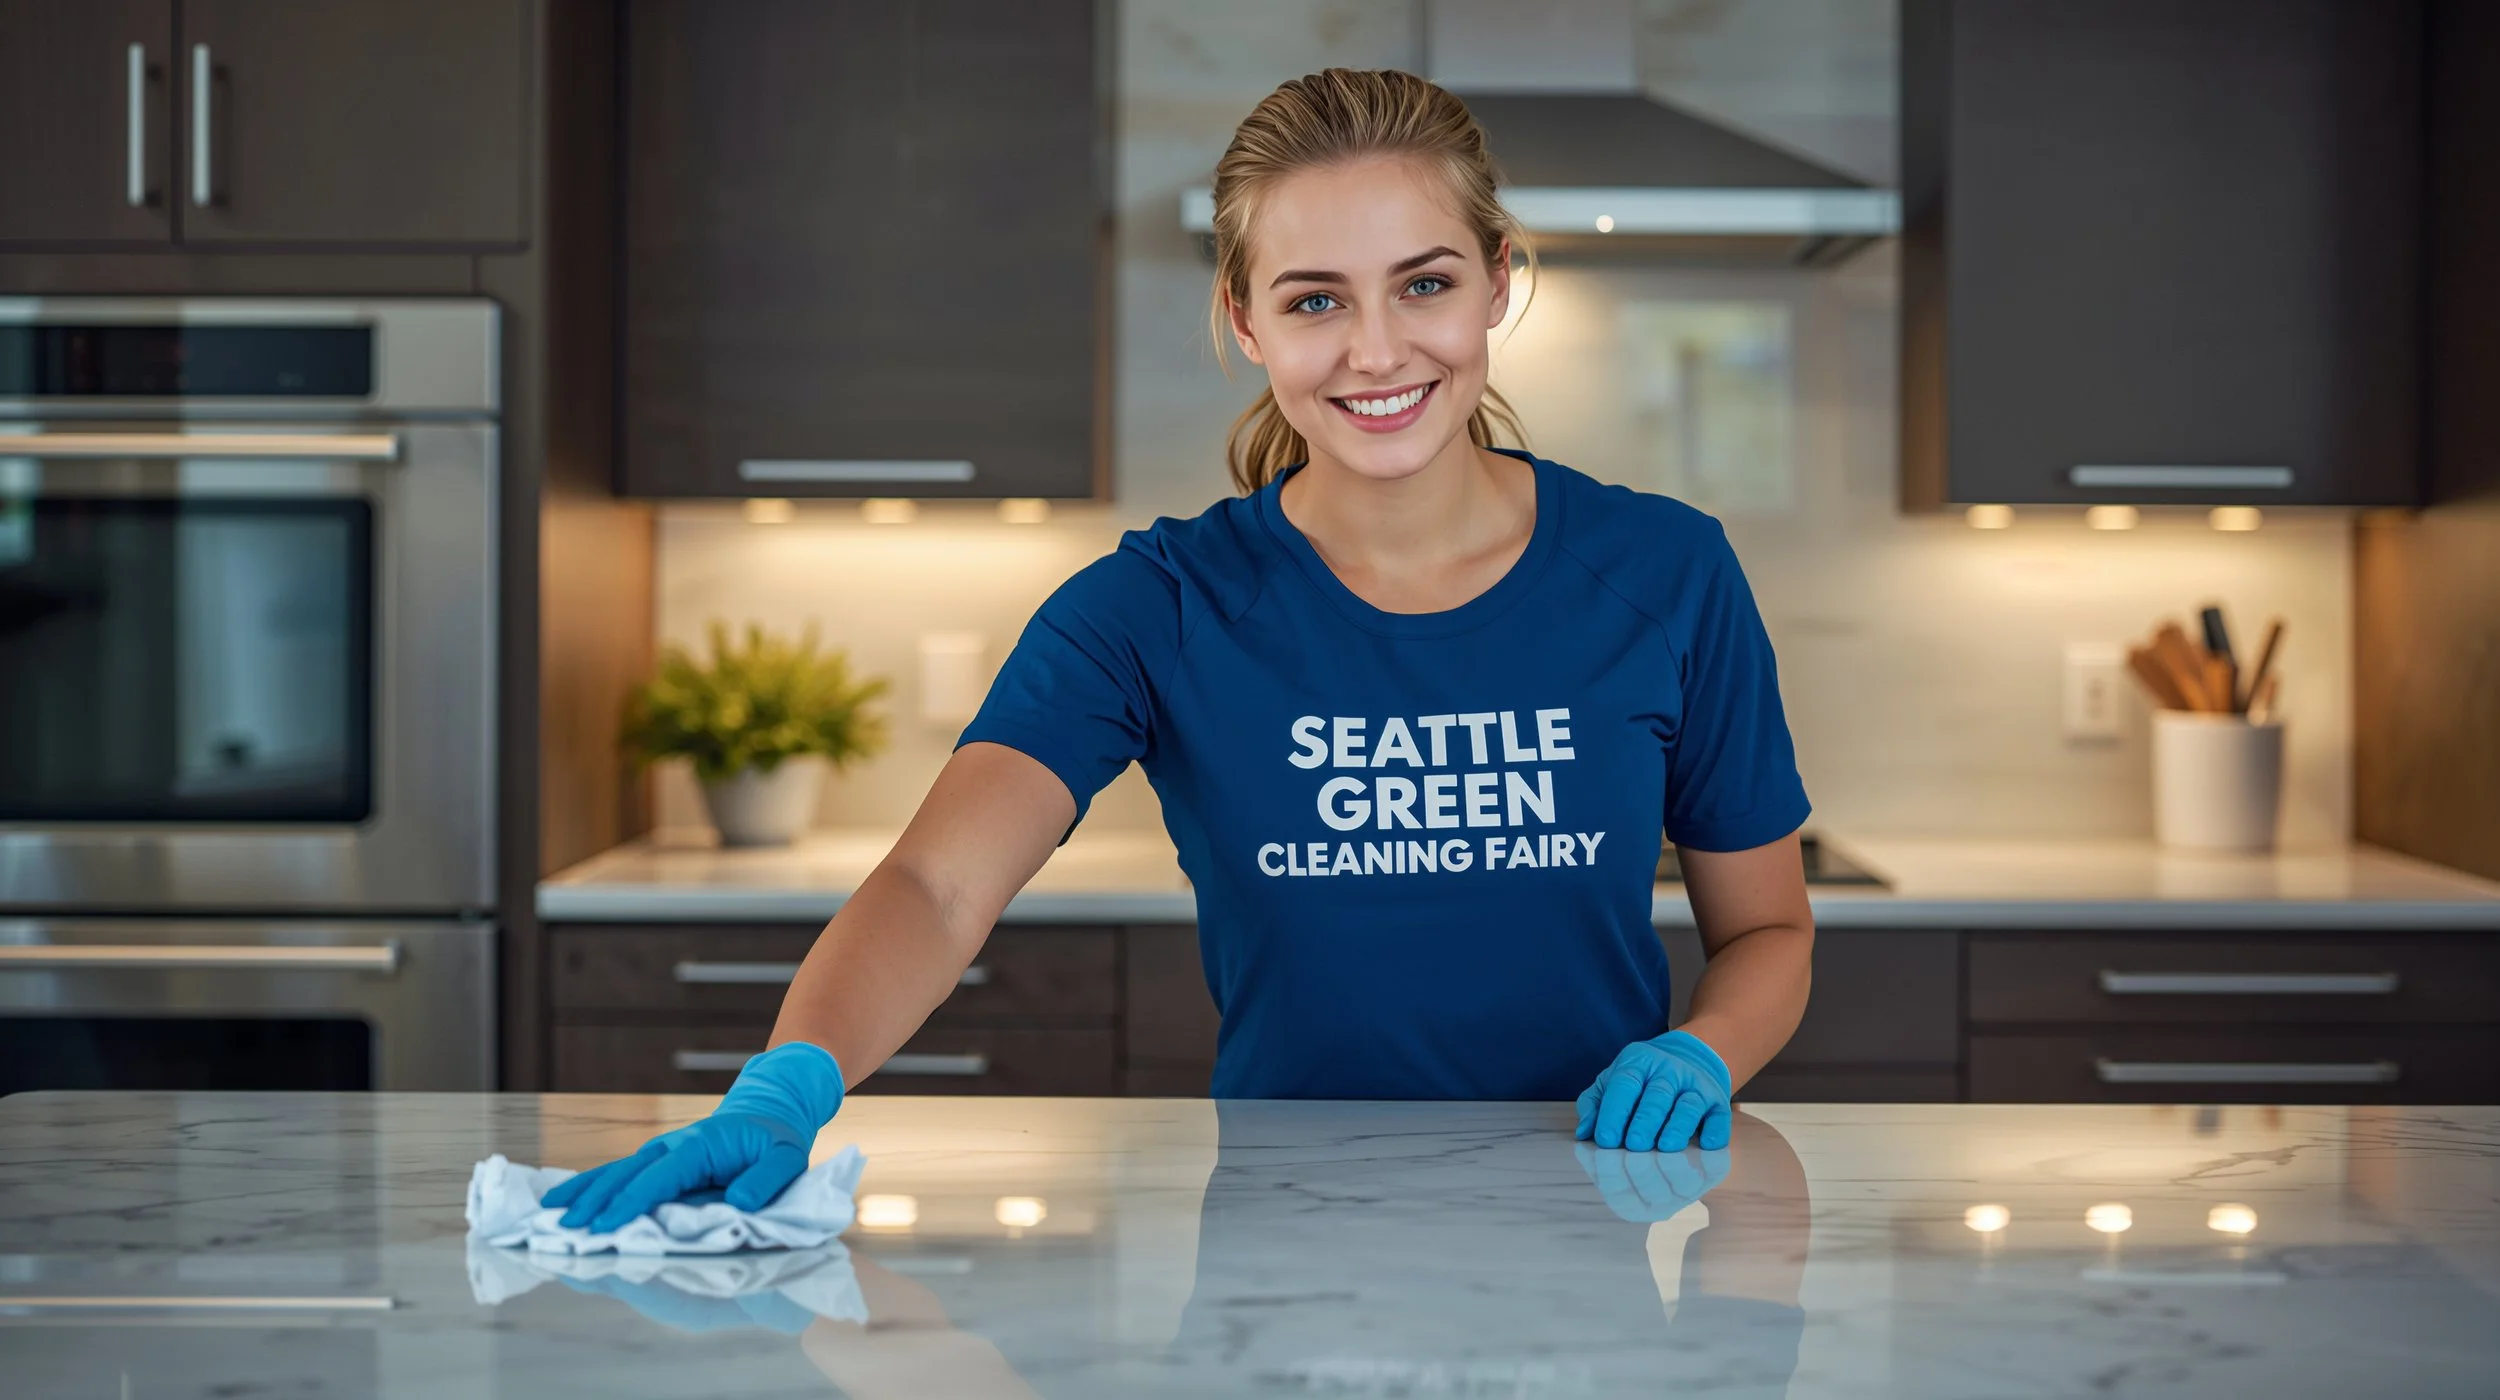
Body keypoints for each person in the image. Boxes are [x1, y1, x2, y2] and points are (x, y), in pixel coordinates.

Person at [547, 67, 1816, 1235]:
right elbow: (936, 887)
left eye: (1423, 283)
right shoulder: (1156, 605)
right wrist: (782, 1088)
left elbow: (1767, 931)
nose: (1375, 350)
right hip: (1282, 1238)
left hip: (1585, 1227)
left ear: (1497, 280)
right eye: (1315, 299)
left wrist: (1700, 1049)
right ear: (1246, 321)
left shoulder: (1666, 573)